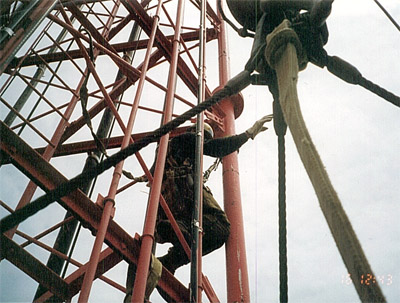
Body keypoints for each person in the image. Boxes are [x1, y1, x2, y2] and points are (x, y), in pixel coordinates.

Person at [124, 114, 273, 302]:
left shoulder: (167, 149)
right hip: (183, 201)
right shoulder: (189, 140)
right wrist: (248, 134)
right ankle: (174, 248)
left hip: (168, 208)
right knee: (220, 227)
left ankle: (170, 257)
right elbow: (215, 148)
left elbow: (153, 174)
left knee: (197, 234)